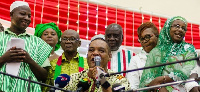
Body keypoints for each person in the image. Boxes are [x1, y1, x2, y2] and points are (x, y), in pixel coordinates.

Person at [0, 1, 52, 92]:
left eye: (29, 16)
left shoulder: (39, 43)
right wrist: (4, 58)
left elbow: (44, 77)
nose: (27, 18)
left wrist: (29, 60)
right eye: (23, 14)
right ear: (11, 14)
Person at [139, 16, 197, 92]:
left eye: (183, 28)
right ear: (168, 28)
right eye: (177, 26)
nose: (180, 30)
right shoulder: (156, 51)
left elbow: (188, 70)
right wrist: (159, 88)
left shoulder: (188, 49)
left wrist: (162, 78)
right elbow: (147, 77)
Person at [64, 38, 131, 92]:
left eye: (101, 51)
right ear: (87, 56)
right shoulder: (74, 78)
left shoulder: (119, 80)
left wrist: (102, 80)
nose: (95, 53)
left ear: (109, 56)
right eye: (91, 50)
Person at [127, 22, 159, 89]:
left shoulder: (167, 55)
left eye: (147, 37)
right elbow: (133, 87)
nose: (144, 41)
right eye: (141, 39)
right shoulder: (136, 60)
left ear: (157, 36)